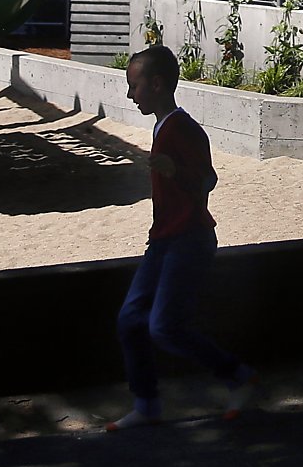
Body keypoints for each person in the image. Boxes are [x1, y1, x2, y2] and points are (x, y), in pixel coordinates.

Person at [105, 44, 255, 431]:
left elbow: (208, 180)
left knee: (163, 327)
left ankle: (236, 375)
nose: (129, 94)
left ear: (156, 84)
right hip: (166, 239)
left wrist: (175, 172)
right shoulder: (163, 126)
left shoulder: (182, 128)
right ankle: (147, 404)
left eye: (133, 86)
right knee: (130, 320)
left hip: (188, 239)